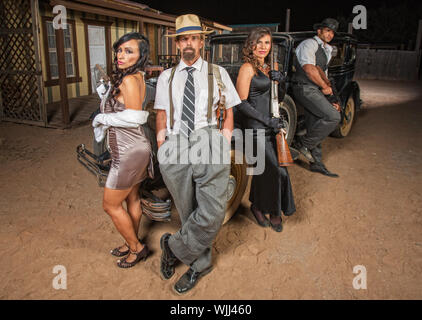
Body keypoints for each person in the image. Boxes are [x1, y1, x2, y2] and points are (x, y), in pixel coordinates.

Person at [154, 14, 241, 294]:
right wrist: (162, 147)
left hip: (208, 137)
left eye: (193, 38)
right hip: (176, 142)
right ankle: (200, 264)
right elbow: (162, 114)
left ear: (201, 41)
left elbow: (228, 112)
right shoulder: (166, 77)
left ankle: (172, 247)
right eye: (183, 39)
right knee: (187, 208)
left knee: (213, 211)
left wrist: (224, 141)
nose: (188, 43)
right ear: (177, 43)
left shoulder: (219, 73)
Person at [92, 32, 153, 268]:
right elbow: (125, 107)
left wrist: (102, 118)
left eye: (129, 51)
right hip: (134, 148)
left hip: (128, 151)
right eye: (119, 50)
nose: (121, 55)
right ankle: (130, 242)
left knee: (110, 205)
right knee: (132, 198)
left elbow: (133, 116)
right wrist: (107, 94)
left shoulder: (129, 80)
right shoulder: (133, 77)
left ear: (140, 56)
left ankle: (137, 248)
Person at [236, 27, 296, 232]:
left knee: (266, 171)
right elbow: (242, 104)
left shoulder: (270, 67)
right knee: (278, 171)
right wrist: (266, 121)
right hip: (255, 128)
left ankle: (257, 206)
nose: (263, 47)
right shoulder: (247, 68)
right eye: (259, 42)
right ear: (250, 45)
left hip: (272, 125)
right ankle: (275, 212)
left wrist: (280, 80)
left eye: (267, 43)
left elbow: (277, 97)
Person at [291, 18, 341, 177]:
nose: (330, 34)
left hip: (315, 88)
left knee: (316, 125)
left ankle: (317, 163)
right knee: (333, 117)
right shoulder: (309, 44)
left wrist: (332, 98)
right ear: (319, 30)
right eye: (327, 30)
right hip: (304, 87)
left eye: (332, 32)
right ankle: (302, 144)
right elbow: (309, 69)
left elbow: (322, 74)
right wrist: (325, 88)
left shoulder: (327, 49)